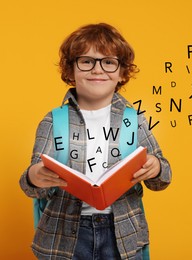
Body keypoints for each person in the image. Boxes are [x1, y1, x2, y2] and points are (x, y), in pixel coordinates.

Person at [19, 23, 172, 260]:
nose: (97, 69)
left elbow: (163, 179)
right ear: (70, 71)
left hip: (123, 233)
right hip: (65, 237)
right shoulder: (53, 121)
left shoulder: (134, 120)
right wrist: (34, 176)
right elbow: (31, 186)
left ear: (122, 72)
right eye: (86, 61)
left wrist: (156, 167)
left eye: (108, 62)